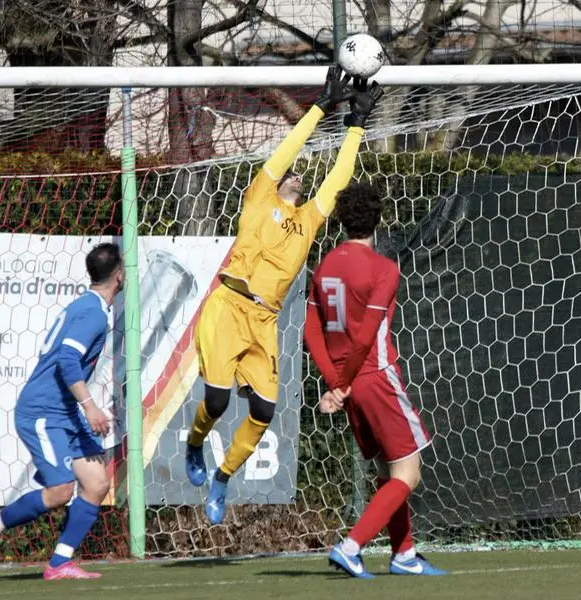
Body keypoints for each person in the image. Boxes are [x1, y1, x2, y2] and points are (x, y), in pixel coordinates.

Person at [184, 67, 385, 525]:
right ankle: (194, 443)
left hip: (265, 321)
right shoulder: (259, 199)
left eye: (299, 175)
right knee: (215, 402)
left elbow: (338, 178)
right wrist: (320, 106)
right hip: (228, 306)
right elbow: (285, 152)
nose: (296, 175)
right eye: (289, 174)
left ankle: (222, 478)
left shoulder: (309, 220)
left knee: (263, 408)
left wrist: (356, 124)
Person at [303, 181, 447, 578]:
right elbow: (367, 336)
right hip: (377, 379)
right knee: (409, 474)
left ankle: (404, 554)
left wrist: (335, 383)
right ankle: (351, 547)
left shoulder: (325, 265)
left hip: (351, 385)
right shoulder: (384, 268)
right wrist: (345, 381)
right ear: (378, 222)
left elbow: (311, 331)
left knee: (387, 472)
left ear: (342, 222)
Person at [0, 243, 123, 580]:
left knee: (97, 483)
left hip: (64, 411)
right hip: (44, 411)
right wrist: (91, 406)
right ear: (120, 275)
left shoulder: (87, 306)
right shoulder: (94, 313)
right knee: (60, 492)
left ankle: (59, 563)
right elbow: (68, 361)